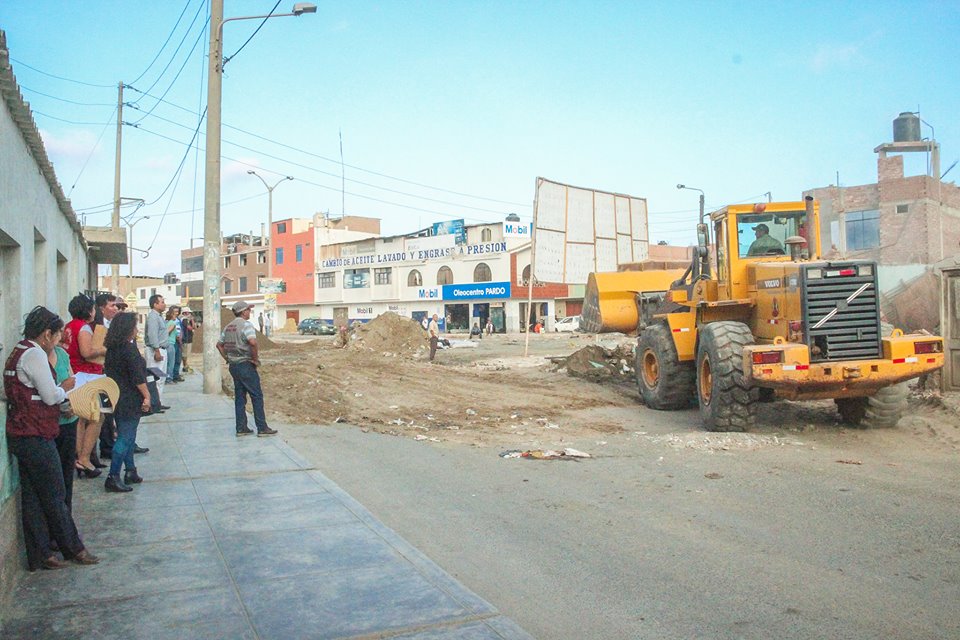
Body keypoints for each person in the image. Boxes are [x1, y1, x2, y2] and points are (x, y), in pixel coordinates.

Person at [4, 306, 99, 570]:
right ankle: (73, 548)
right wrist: (66, 388)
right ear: (47, 334)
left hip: (21, 432)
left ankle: (40, 554)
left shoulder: (18, 351)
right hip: (36, 432)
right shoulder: (35, 354)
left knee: (33, 497)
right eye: (58, 335)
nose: (59, 340)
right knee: (56, 492)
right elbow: (50, 395)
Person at [103, 312, 150, 493]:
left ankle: (130, 470)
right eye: (134, 327)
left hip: (117, 396)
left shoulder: (112, 349)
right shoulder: (128, 349)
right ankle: (113, 475)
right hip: (130, 397)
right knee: (125, 437)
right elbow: (137, 377)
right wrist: (147, 396)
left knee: (128, 435)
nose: (136, 330)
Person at [216, 301, 278, 437]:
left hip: (234, 366)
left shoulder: (228, 327)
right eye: (248, 310)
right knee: (256, 396)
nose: (249, 312)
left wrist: (227, 358)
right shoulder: (246, 325)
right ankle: (262, 427)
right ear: (243, 311)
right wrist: (255, 359)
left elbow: (219, 345)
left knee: (239, 397)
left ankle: (241, 427)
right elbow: (253, 342)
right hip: (246, 364)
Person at [63, 295, 104, 479]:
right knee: (97, 417)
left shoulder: (69, 327)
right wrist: (103, 349)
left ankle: (78, 457)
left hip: (75, 376)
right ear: (88, 310)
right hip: (87, 376)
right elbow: (87, 352)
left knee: (79, 420)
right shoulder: (84, 327)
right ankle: (84, 458)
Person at [50, 333, 78, 512]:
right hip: (50, 422)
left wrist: (73, 402)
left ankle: (66, 513)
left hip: (68, 420)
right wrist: (63, 388)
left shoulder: (61, 354)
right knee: (53, 475)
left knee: (66, 470)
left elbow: (73, 380)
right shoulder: (36, 358)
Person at [95, 293, 119, 464]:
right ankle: (107, 446)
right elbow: (96, 349)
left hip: (111, 371)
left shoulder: (111, 324)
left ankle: (112, 442)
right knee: (105, 410)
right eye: (112, 305)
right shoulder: (97, 327)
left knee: (112, 409)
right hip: (100, 372)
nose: (115, 309)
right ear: (102, 308)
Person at [144, 294, 169, 407]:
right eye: (162, 302)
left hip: (161, 349)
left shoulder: (159, 316)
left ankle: (158, 401)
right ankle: (154, 402)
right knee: (156, 378)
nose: (164, 304)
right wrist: (157, 351)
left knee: (161, 377)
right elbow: (152, 335)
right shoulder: (153, 317)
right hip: (155, 350)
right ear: (155, 304)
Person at [165, 306, 182, 383]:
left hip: (169, 343)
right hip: (171, 343)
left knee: (169, 362)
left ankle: (169, 377)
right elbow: (167, 332)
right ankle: (169, 378)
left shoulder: (167, 322)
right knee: (171, 363)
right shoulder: (172, 323)